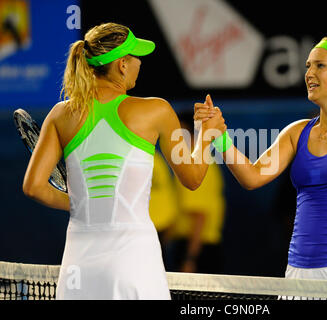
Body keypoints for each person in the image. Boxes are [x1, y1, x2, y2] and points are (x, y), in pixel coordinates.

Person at [22, 22, 226, 299]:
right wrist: (205, 135)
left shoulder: (61, 114)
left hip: (79, 265)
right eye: (135, 57)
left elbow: (33, 186)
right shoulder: (156, 110)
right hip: (135, 260)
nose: (139, 63)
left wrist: (82, 202)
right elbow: (193, 179)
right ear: (121, 65)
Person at [195, 35, 327, 284]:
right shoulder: (296, 132)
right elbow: (252, 177)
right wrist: (219, 136)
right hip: (297, 274)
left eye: (320, 65)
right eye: (308, 66)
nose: (309, 73)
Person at [165, 111, 226, 274]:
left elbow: (200, 216)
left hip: (197, 249)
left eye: (178, 132)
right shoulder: (190, 161)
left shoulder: (195, 163)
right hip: (190, 246)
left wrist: (189, 259)